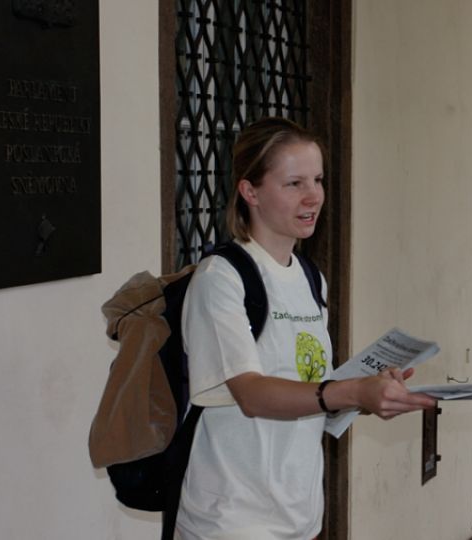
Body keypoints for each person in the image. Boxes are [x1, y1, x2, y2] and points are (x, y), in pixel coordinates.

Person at [176, 117, 437, 539]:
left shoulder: (310, 277)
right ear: (250, 191)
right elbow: (252, 393)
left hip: (299, 515)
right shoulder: (220, 278)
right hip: (232, 519)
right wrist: (350, 392)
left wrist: (370, 389)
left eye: (317, 179)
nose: (313, 195)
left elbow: (309, 385)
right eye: (293, 183)